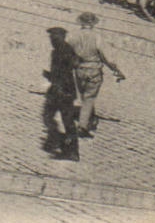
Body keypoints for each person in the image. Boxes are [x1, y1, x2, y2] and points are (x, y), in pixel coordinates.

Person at [70, 12, 125, 136]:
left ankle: (90, 119)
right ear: (93, 23)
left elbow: (67, 52)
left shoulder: (73, 36)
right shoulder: (97, 37)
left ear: (81, 23)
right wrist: (116, 70)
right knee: (89, 98)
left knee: (85, 96)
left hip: (79, 70)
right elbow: (107, 58)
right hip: (94, 71)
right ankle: (82, 127)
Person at [41, 26, 81, 160]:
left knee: (65, 120)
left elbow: (68, 68)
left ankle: (69, 150)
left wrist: (50, 76)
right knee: (49, 116)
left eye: (54, 38)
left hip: (63, 91)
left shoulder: (63, 51)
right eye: (51, 38)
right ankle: (58, 142)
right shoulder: (62, 50)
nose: (51, 40)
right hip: (60, 90)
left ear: (61, 38)